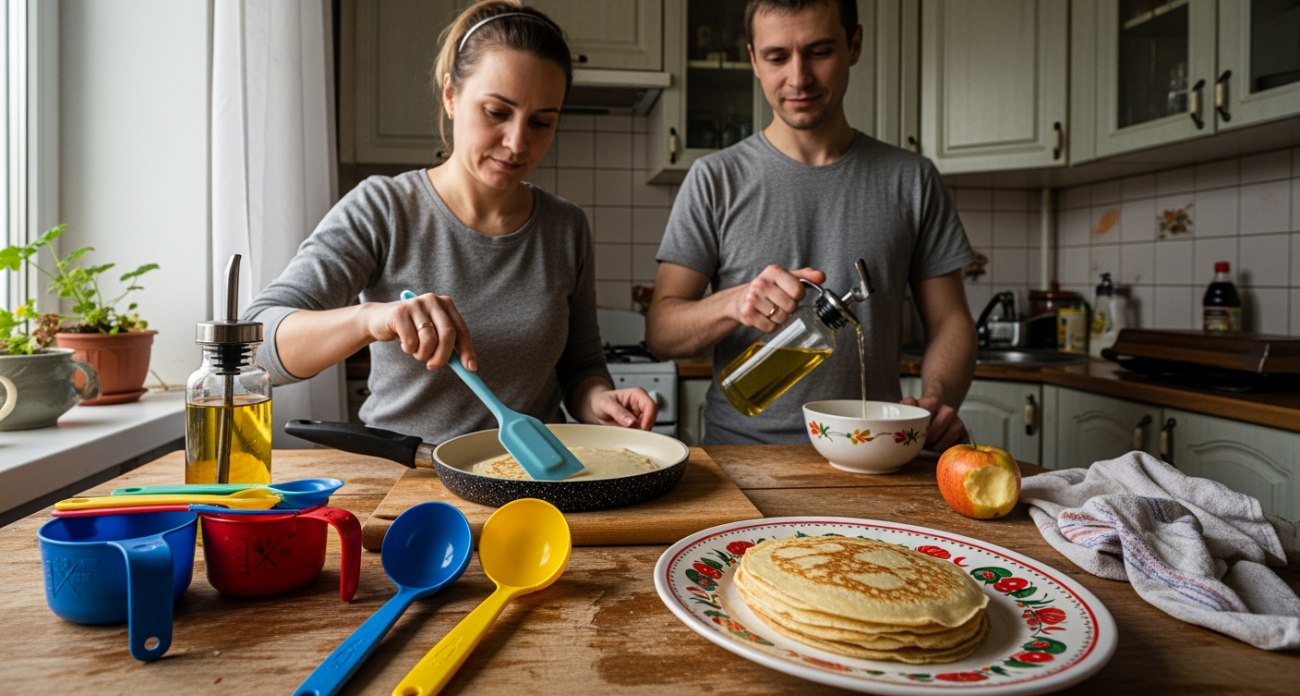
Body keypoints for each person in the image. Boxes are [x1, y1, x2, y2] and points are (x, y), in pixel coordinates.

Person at [245, 0, 656, 443]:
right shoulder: (384, 209)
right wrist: (372, 319)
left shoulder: (565, 227)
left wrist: (596, 399)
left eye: (541, 122)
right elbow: (254, 349)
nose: (518, 142)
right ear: (450, 96)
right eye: (496, 112)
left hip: (530, 480)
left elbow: (581, 367)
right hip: (409, 479)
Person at [645, 0, 975, 448]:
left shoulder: (911, 179)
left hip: (874, 453)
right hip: (742, 458)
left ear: (854, 45)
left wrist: (936, 400)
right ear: (753, 61)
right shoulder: (714, 179)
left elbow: (950, 320)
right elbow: (661, 332)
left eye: (819, 52)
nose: (798, 78)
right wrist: (734, 303)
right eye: (777, 57)